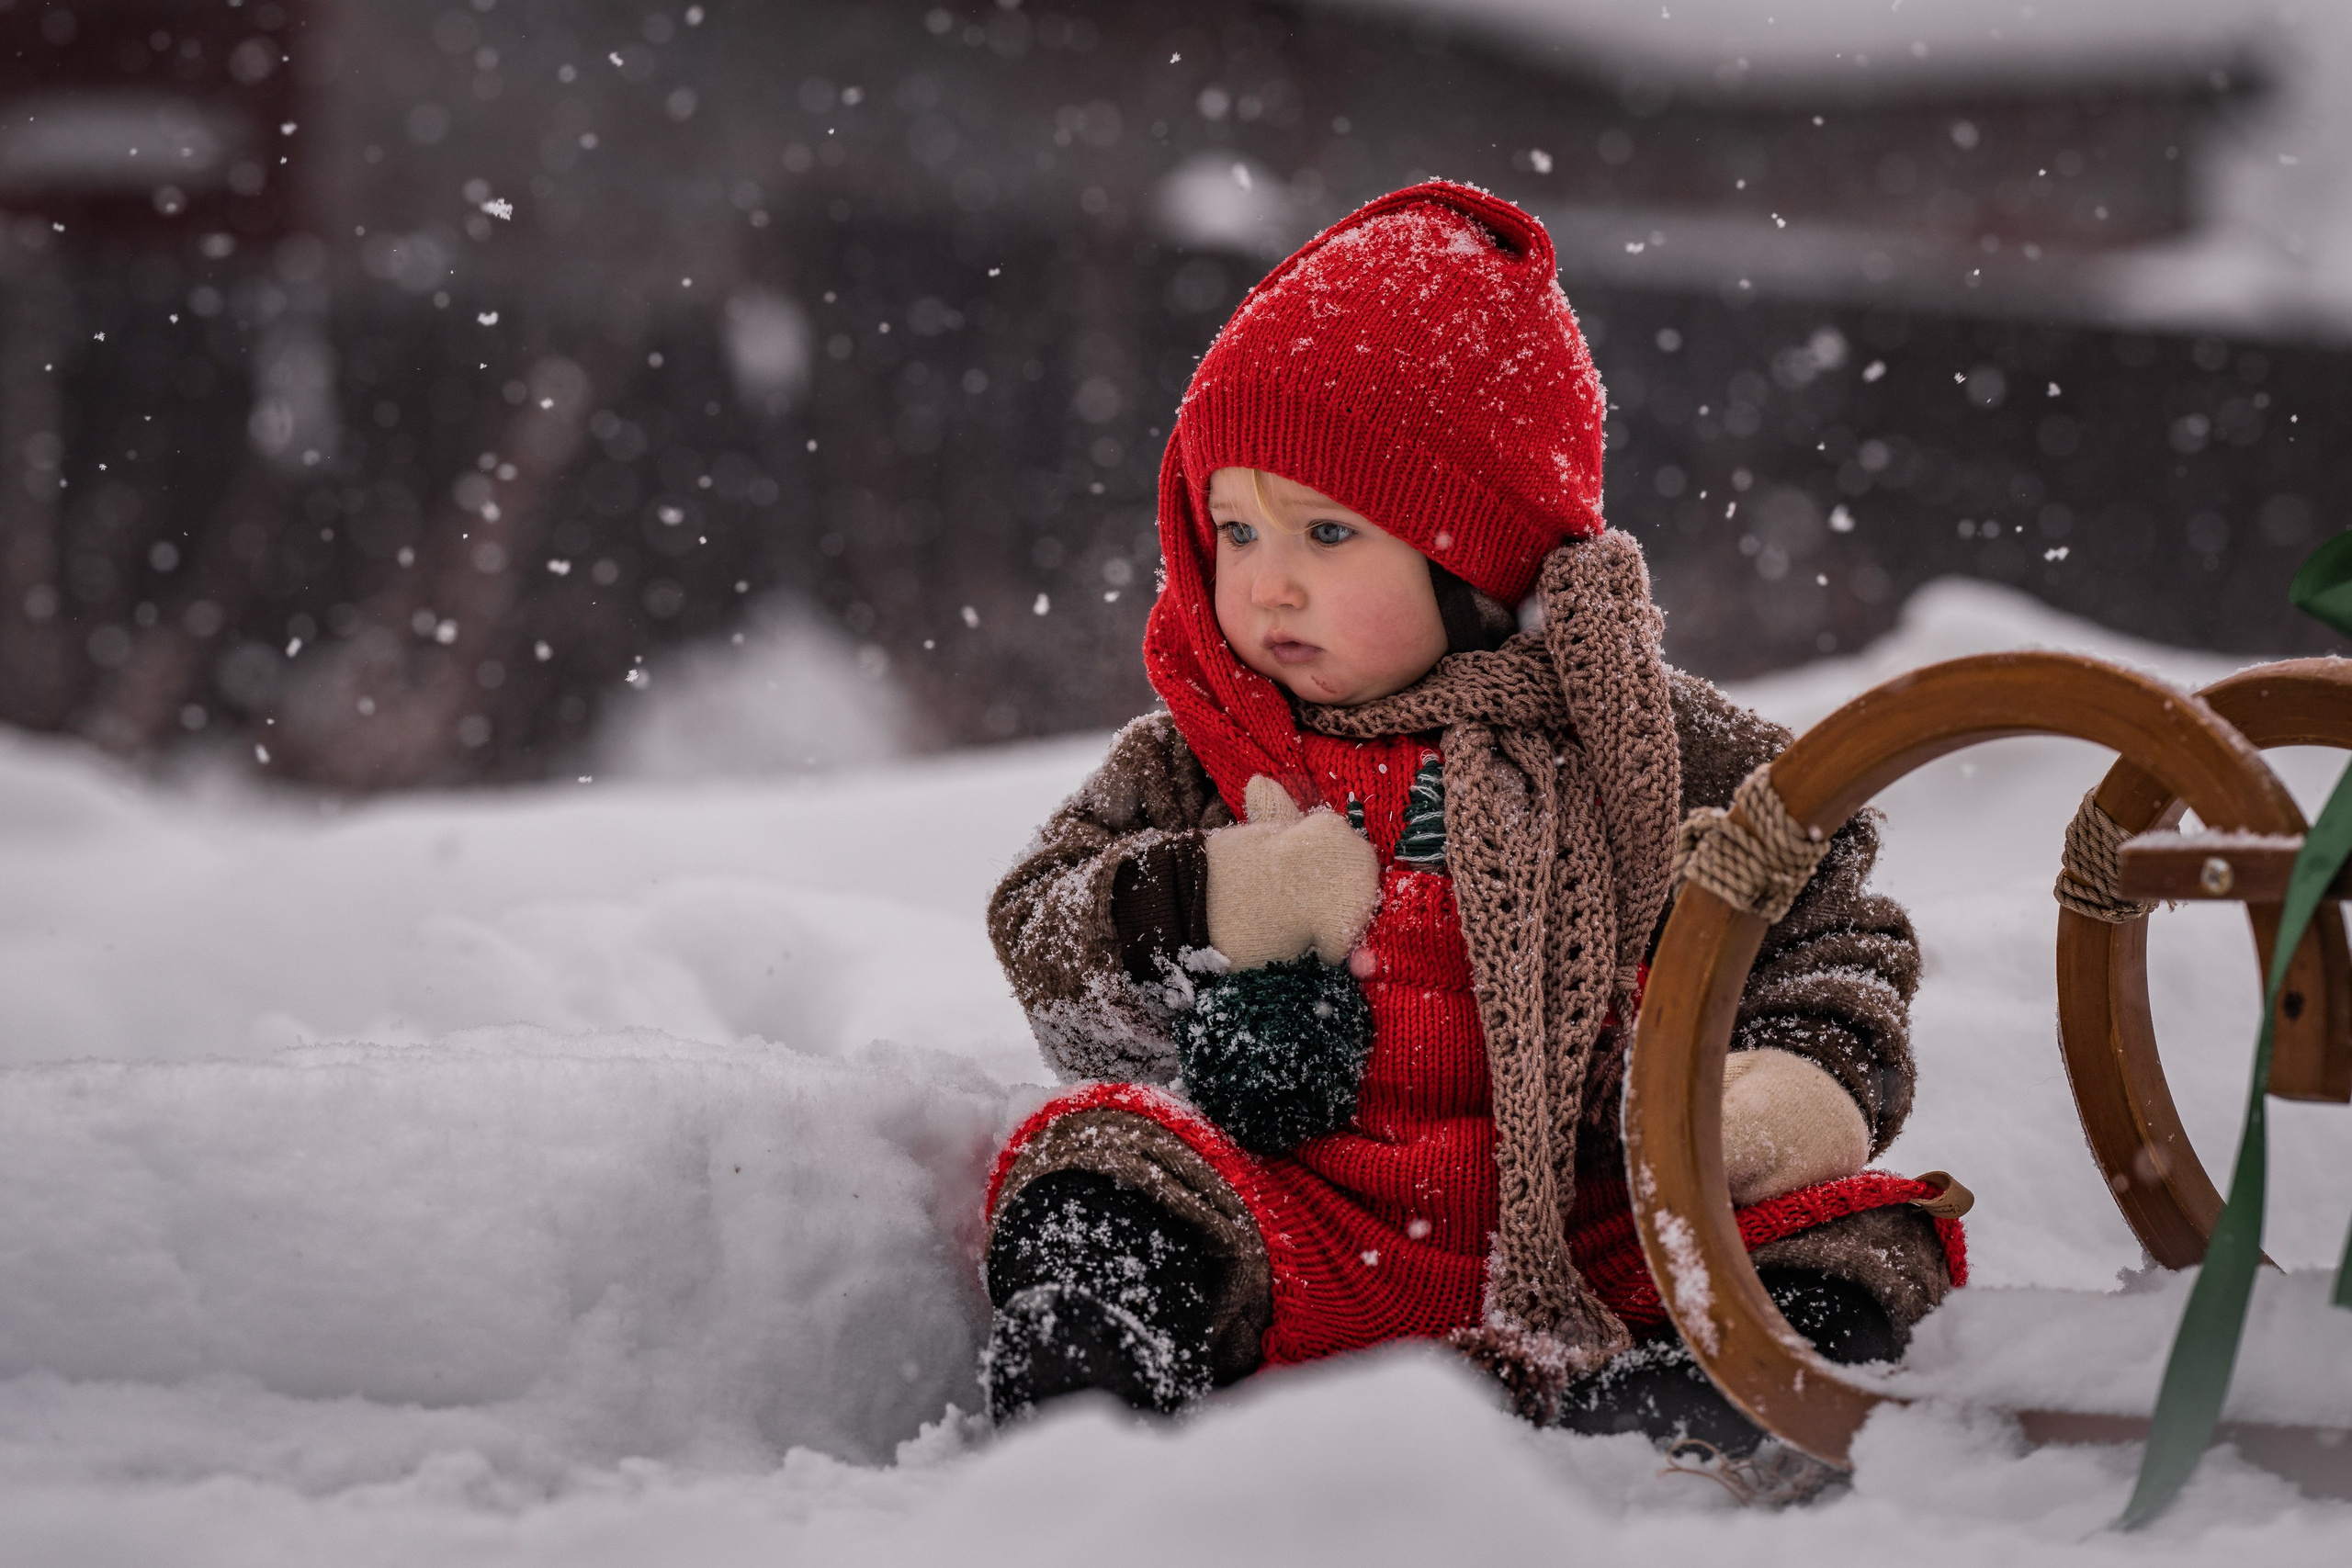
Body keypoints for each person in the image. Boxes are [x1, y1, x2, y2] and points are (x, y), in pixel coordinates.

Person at [979, 181, 1962, 1449]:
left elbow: (1836, 931)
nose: (1266, 581)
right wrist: (1205, 898)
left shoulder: (1655, 749)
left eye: (1328, 532)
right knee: (1100, 1167)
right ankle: (1104, 1366)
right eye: (1233, 528)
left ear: (1475, 558)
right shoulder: (1204, 751)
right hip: (1306, 1221)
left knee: (1880, 1230)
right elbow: (1042, 938)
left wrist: (1790, 1086)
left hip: (1608, 1232)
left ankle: (1701, 1394)